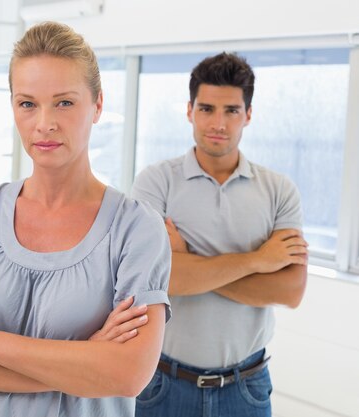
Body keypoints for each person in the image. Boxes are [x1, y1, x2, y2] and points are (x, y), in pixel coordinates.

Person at [0, 21, 172, 417]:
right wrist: (86, 362)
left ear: (97, 105)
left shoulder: (136, 229)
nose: (44, 123)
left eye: (64, 102)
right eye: (27, 103)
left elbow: (129, 374)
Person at [131, 52, 309, 417]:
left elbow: (289, 292)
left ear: (248, 115)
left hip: (245, 388)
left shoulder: (279, 190)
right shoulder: (156, 182)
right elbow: (155, 279)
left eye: (231, 110)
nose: (218, 123)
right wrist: (258, 262)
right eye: (207, 108)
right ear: (189, 110)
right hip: (163, 383)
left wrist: (186, 263)